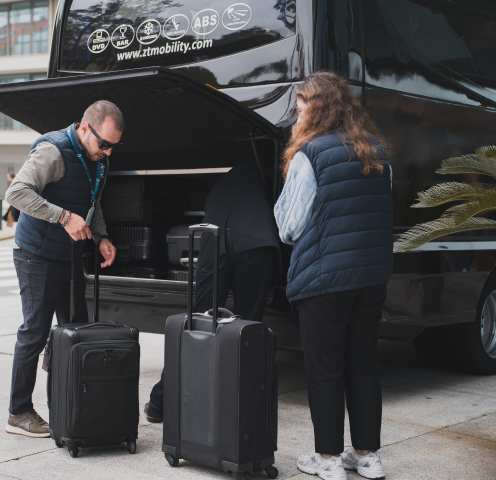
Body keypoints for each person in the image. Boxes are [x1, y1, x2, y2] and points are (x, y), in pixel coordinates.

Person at [274, 72, 392, 480]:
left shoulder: (311, 154)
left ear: (316, 107)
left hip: (324, 279)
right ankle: (367, 456)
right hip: (370, 276)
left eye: (301, 103)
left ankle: (327, 458)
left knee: (324, 367)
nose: (296, 111)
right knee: (362, 363)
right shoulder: (376, 152)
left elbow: (289, 227)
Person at [4, 100, 122, 438]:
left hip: (68, 255)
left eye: (114, 146)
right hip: (36, 254)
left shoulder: (96, 158)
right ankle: (19, 411)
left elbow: (92, 199)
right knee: (35, 332)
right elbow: (17, 192)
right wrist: (63, 216)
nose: (108, 152)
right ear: (85, 128)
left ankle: (66, 403)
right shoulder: (52, 152)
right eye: (104, 144)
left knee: (74, 332)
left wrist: (101, 237)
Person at [143, 160, 280, 423]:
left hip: (214, 237)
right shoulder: (264, 176)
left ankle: (160, 402)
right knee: (247, 331)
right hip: (256, 244)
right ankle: (241, 410)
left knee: (195, 326)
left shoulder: (222, 186)